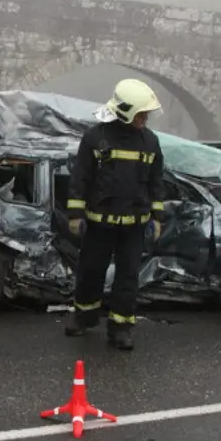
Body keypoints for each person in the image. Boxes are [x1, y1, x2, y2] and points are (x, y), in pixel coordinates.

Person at [64, 78, 166, 351]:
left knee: (128, 277)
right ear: (127, 111)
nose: (146, 118)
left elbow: (157, 182)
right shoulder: (95, 138)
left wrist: (157, 217)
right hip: (99, 223)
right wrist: (75, 213)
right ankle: (83, 317)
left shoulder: (150, 142)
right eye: (142, 113)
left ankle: (121, 328)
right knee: (90, 271)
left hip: (133, 226)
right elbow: (80, 178)